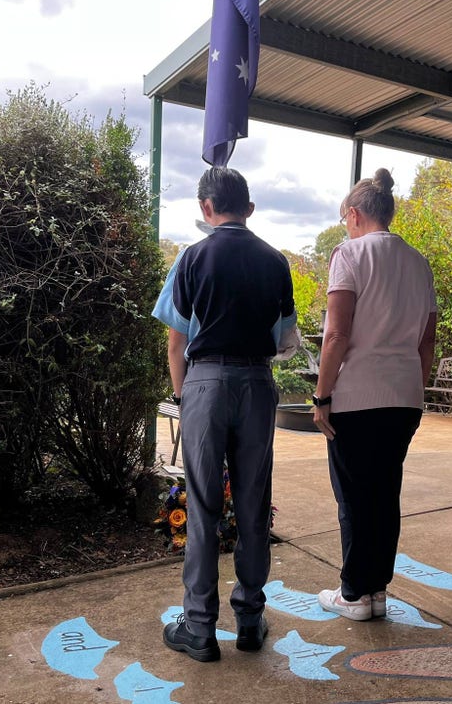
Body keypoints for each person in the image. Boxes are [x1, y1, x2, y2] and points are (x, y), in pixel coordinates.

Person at [152, 167, 297, 661]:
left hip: (205, 383)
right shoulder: (275, 262)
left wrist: (183, 396)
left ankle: (199, 628)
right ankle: (251, 622)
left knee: (203, 505)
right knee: (254, 505)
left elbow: (175, 342)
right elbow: (284, 342)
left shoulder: (191, 257)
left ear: (205, 209)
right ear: (250, 209)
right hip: (257, 383)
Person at [312, 168, 437, 621]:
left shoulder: (349, 254)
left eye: (345, 217)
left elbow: (336, 335)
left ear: (354, 214)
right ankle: (377, 591)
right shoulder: (418, 261)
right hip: (403, 396)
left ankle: (353, 594)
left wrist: (322, 396)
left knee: (353, 495)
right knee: (385, 493)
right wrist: (414, 388)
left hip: (356, 396)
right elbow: (427, 342)